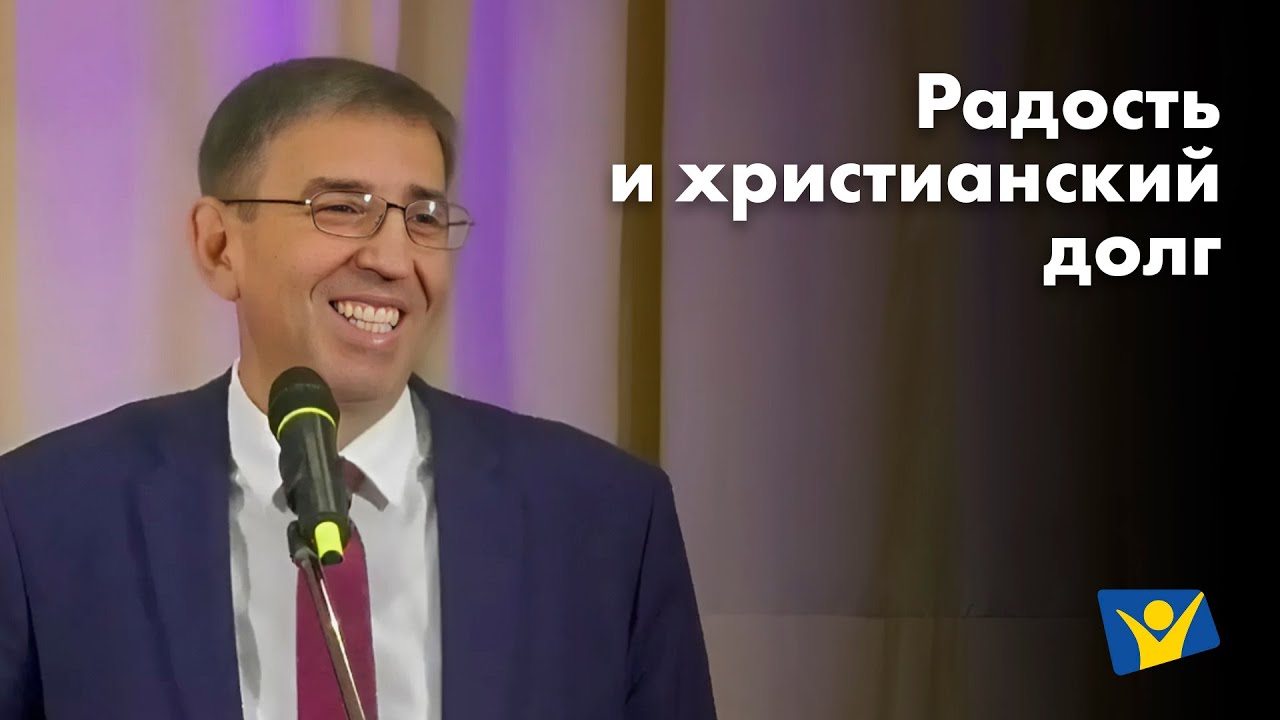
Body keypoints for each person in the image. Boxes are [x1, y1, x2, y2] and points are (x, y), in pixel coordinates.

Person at [0, 56, 717, 720]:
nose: (394, 260)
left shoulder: (608, 519)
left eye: (425, 217)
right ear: (219, 245)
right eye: (342, 208)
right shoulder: (43, 516)